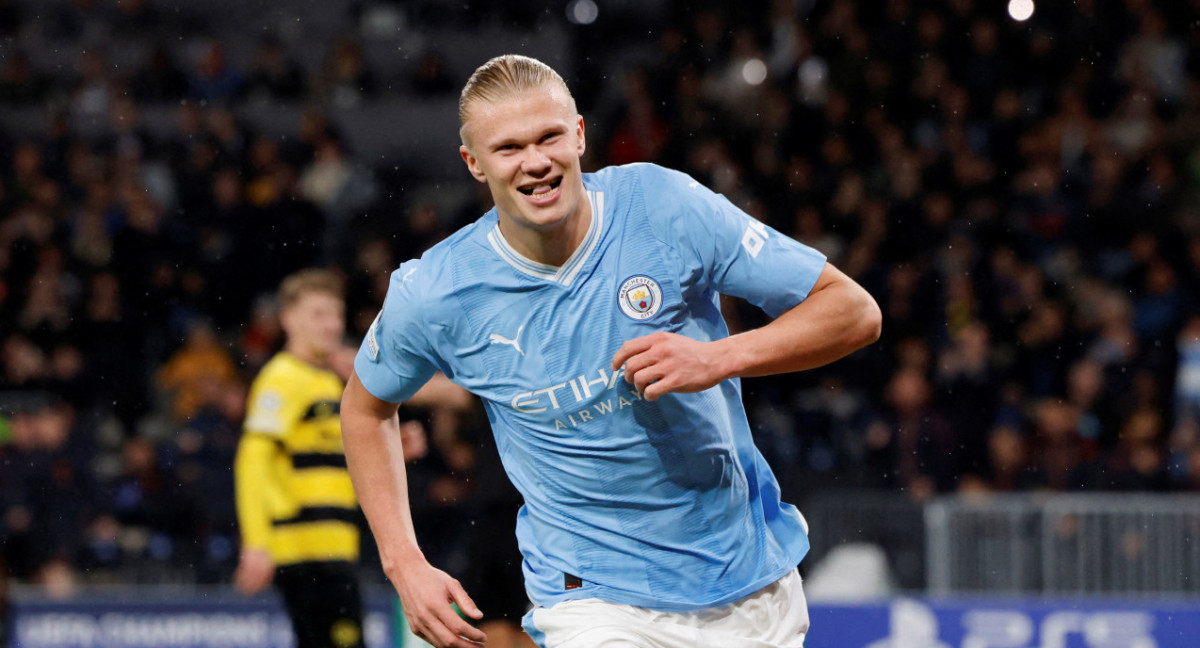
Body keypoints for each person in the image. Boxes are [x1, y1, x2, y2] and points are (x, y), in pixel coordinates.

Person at [341, 54, 882, 648]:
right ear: (474, 163)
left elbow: (853, 312)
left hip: (744, 579)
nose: (536, 162)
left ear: (578, 135)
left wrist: (718, 358)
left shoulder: (661, 205)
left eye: (549, 137)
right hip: (590, 596)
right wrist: (403, 562)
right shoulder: (436, 291)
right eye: (509, 148)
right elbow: (365, 409)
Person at [234, 269, 367, 648]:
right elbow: (252, 461)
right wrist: (257, 542)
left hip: (335, 547)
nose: (331, 325)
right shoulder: (281, 378)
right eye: (318, 314)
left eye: (336, 314)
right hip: (305, 552)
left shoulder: (327, 382)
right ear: (288, 319)